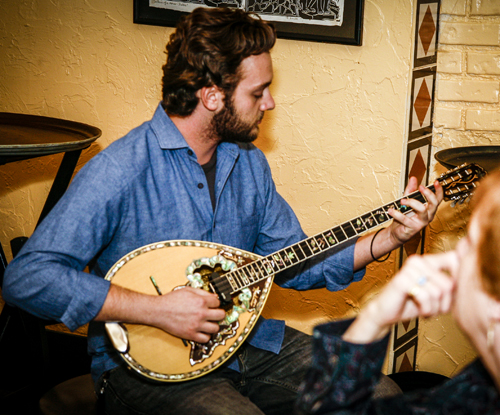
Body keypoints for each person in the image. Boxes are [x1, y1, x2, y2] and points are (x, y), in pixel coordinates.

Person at [3, 7, 442, 415]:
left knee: (380, 395)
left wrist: (389, 238)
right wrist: (156, 310)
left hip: (244, 341)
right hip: (145, 365)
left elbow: (293, 261)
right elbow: (27, 279)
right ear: (212, 96)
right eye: (258, 92)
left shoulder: (246, 161)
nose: (269, 103)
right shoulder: (119, 170)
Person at [295, 169, 500, 415]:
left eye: (470, 244)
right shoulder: (478, 387)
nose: (453, 256)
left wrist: (373, 319)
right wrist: (376, 316)